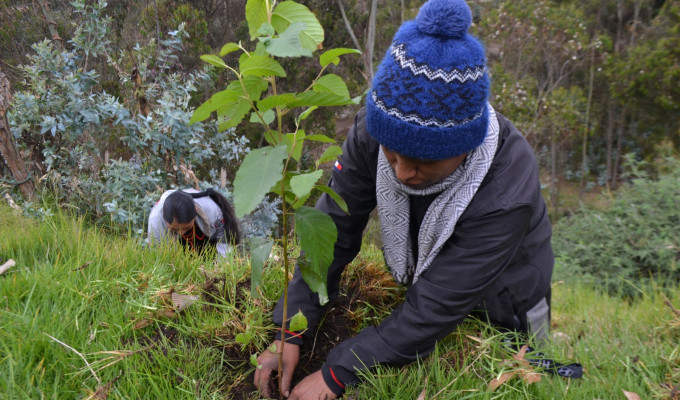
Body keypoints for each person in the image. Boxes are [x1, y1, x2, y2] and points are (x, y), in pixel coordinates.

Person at [255, 0, 556, 398]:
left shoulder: (506, 192)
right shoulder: (375, 131)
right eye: (392, 155)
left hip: (509, 295)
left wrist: (337, 372)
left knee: (519, 377)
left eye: (421, 162)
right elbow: (333, 232)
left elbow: (434, 307)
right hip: (429, 276)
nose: (399, 173)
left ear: (464, 147)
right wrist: (290, 327)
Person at [147, 187, 240, 257]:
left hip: (207, 242)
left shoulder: (211, 210)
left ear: (196, 211)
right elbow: (159, 258)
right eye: (174, 229)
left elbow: (224, 243)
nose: (181, 232)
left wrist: (222, 271)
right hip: (177, 250)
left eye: (186, 227)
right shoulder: (155, 222)